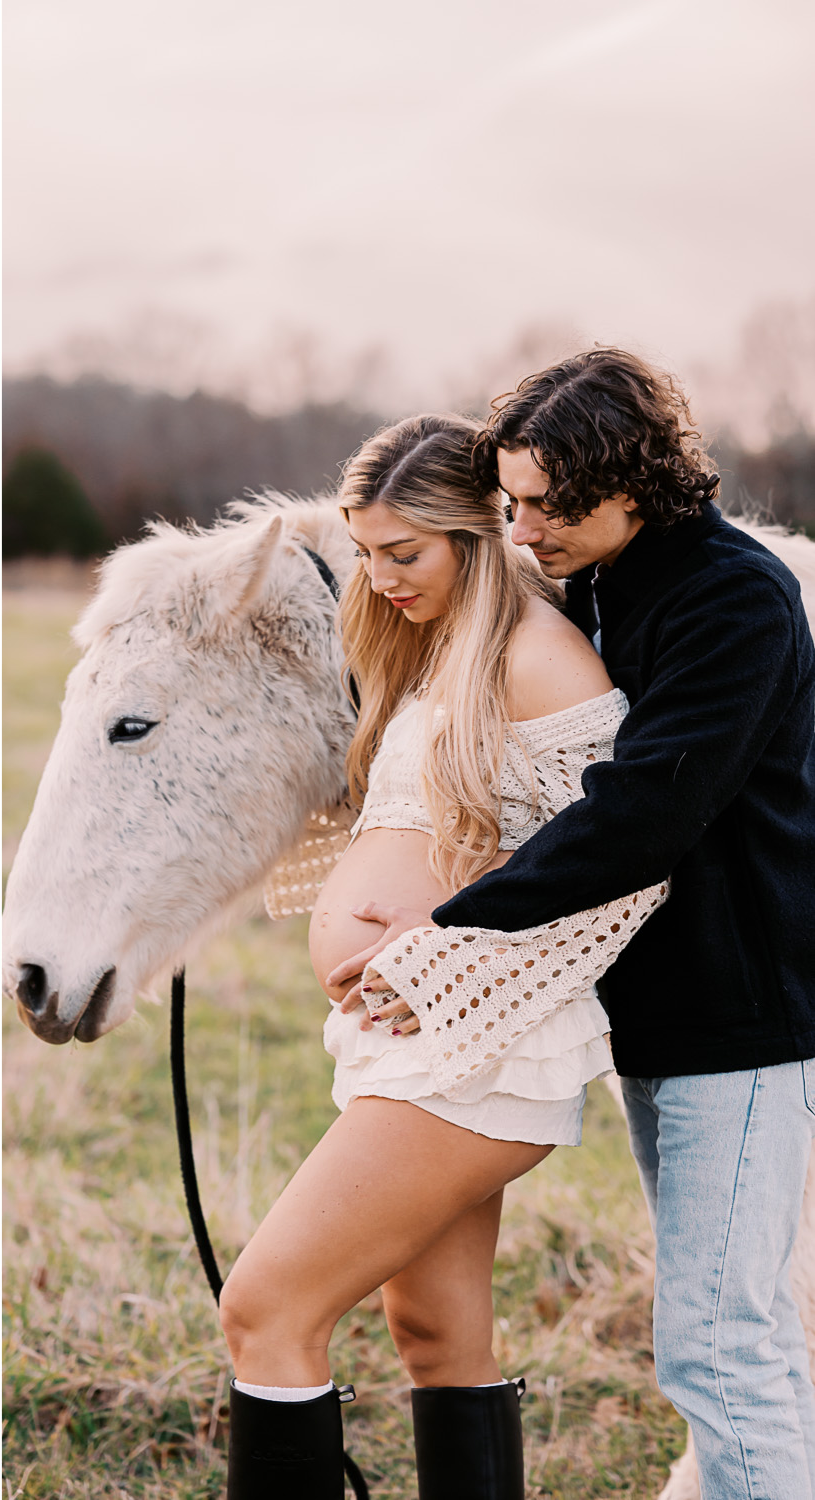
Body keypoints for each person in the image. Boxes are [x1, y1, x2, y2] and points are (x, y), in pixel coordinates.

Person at [331, 350, 815, 1498]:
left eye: (551, 505)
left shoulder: (735, 599)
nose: (525, 528)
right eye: (513, 502)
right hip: (655, 1011)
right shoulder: (590, 584)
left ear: (638, 483)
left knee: (721, 1342)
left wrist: (448, 937)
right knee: (717, 1329)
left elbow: (643, 815)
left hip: (741, 1022)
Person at [217, 411, 662, 1495]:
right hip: (422, 1041)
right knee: (434, 1337)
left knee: (266, 1310)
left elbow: (627, 867)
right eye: (364, 553)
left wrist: (438, 963)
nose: (381, 577)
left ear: (478, 532)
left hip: (476, 1045)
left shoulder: (538, 658)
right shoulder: (436, 648)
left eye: (403, 553)